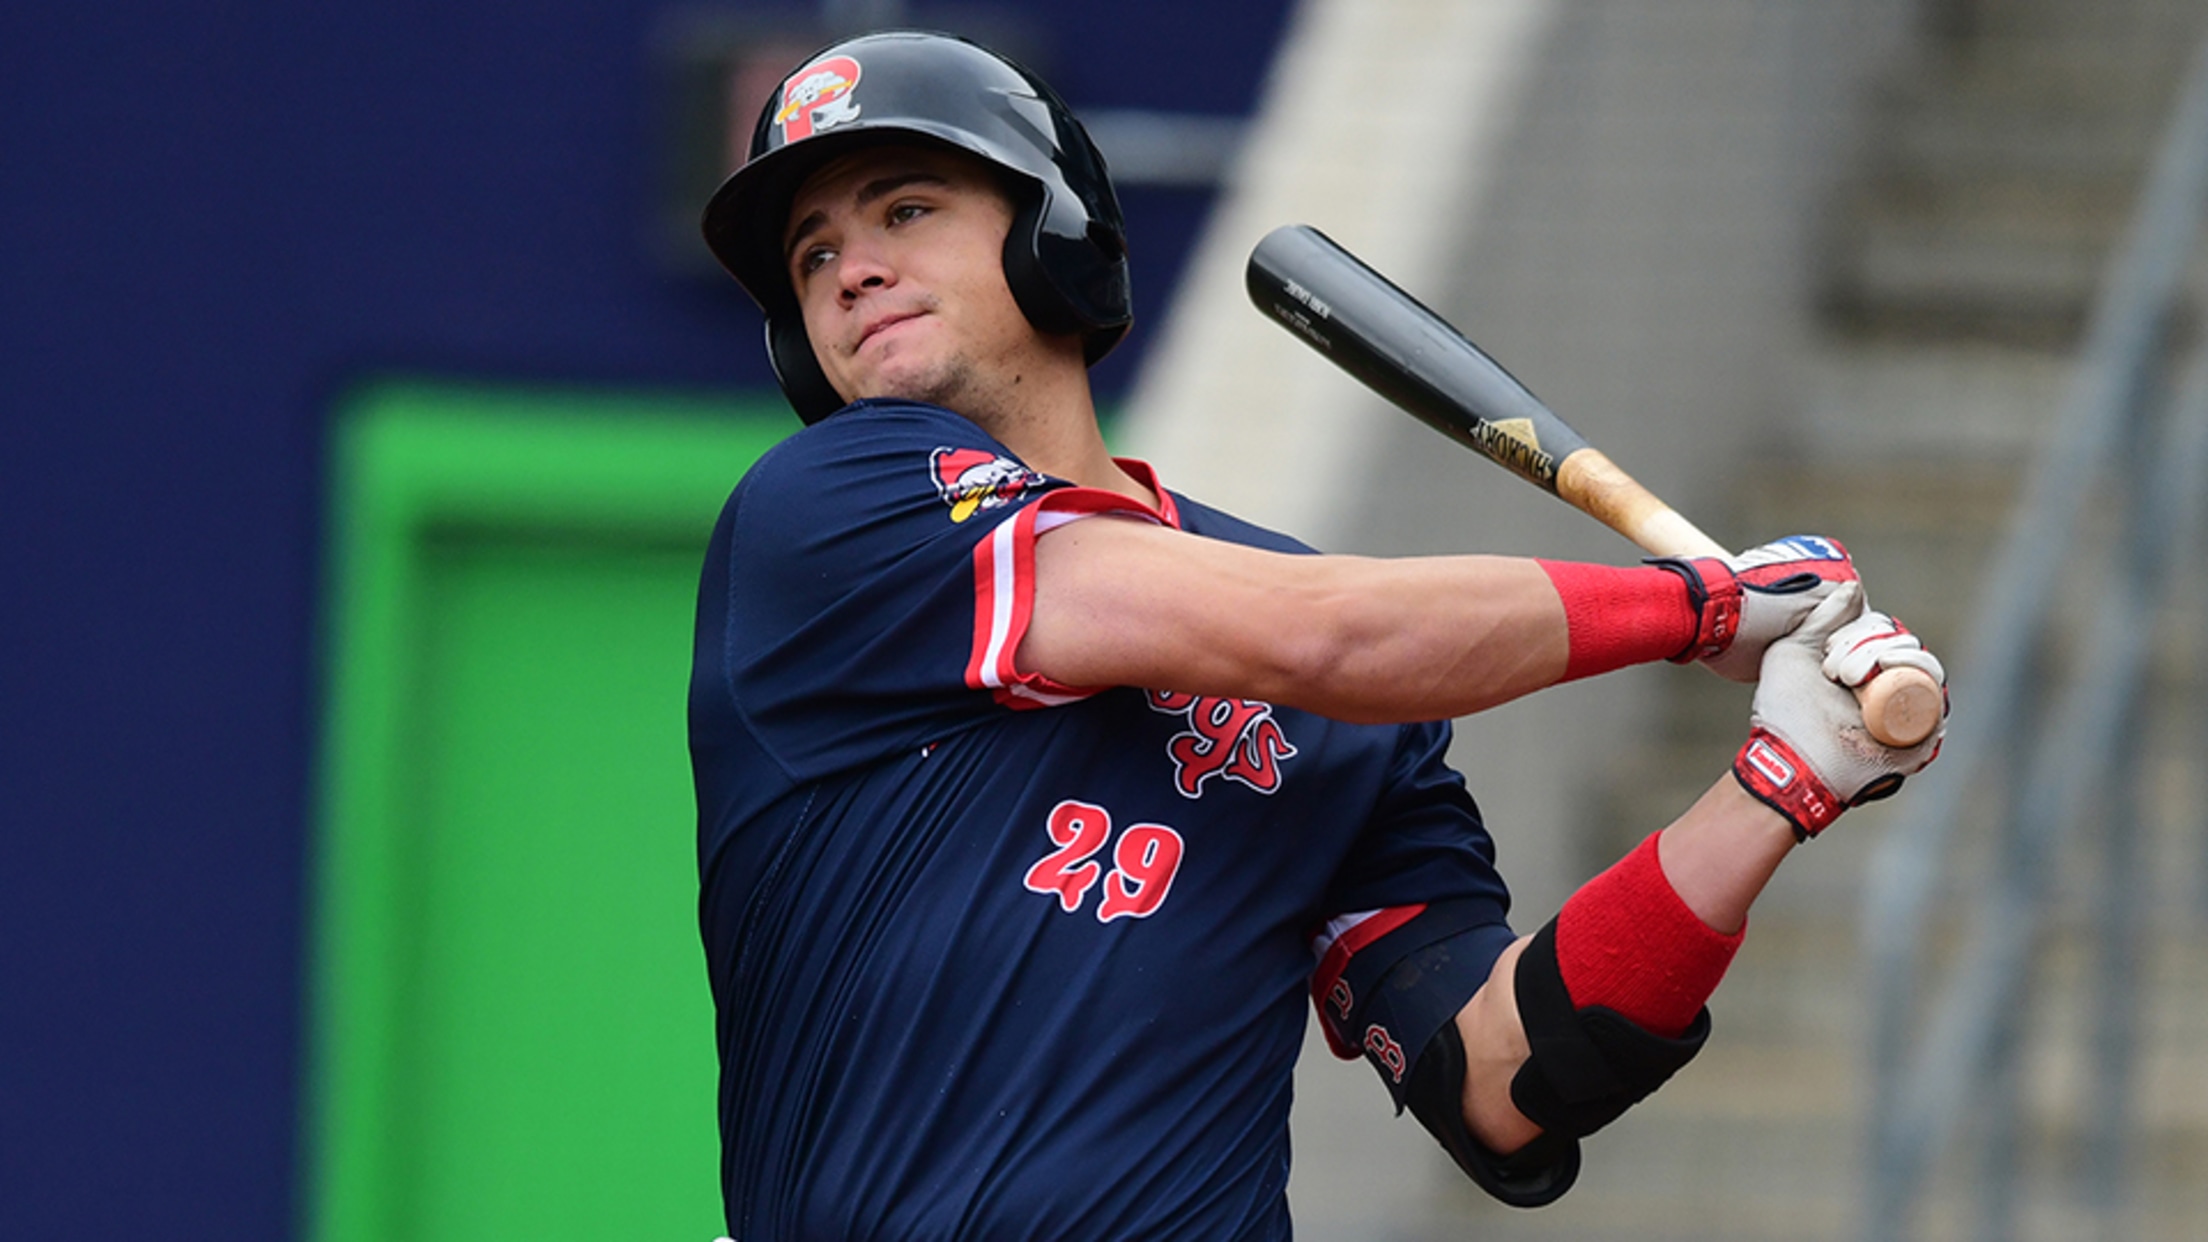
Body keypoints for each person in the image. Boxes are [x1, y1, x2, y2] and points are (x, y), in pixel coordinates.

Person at [688, 29, 1946, 1241]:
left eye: (905, 210)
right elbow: (1323, 640)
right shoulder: (831, 515)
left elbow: (1504, 1076)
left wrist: (1784, 782)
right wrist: (1701, 606)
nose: (851, 270)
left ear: (1054, 233)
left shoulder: (1308, 639)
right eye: (813, 253)